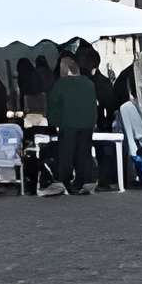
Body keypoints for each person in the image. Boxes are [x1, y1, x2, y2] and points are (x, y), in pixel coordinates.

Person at [42, 53, 99, 195]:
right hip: (87, 125)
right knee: (84, 153)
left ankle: (64, 181)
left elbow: (53, 106)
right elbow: (94, 106)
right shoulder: (89, 83)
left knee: (66, 154)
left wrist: (53, 123)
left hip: (68, 125)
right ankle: (85, 180)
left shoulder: (61, 84)